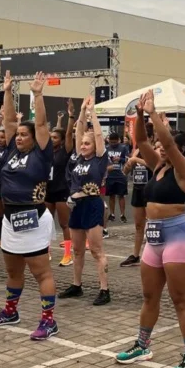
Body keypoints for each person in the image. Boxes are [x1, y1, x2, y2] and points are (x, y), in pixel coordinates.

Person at [115, 89, 185, 368]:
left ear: (180, 150)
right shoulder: (157, 167)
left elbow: (167, 143)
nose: (161, 149)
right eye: (161, 148)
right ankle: (143, 344)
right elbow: (140, 140)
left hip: (177, 236)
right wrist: (139, 114)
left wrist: (154, 114)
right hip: (154, 237)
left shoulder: (184, 170)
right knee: (150, 297)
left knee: (180, 299)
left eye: (168, 148)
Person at [0, 71, 61, 340]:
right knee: (12, 270)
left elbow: (40, 125)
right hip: (10, 220)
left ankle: (48, 321)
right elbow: (7, 119)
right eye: (17, 135)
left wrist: (38, 95)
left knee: (41, 272)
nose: (18, 138)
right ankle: (10, 311)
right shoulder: (12, 152)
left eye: (23, 135)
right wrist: (7, 91)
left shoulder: (42, 154)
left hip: (34, 218)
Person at [59, 95, 111, 306]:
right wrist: (81, 112)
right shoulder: (79, 157)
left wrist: (93, 113)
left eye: (87, 144)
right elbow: (79, 131)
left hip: (92, 204)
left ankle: (104, 289)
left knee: (96, 251)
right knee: (77, 250)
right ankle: (76, 285)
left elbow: (96, 134)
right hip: (77, 206)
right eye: (82, 144)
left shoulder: (99, 158)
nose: (83, 145)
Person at [44, 101, 74, 267]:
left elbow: (69, 134)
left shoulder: (65, 150)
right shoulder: (47, 151)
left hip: (62, 190)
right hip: (48, 190)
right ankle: (46, 251)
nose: (52, 139)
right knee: (47, 223)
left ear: (62, 140)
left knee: (64, 223)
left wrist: (70, 116)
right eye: (51, 137)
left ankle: (68, 254)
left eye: (55, 137)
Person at [119, 146, 151, 268]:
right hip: (138, 190)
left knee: (153, 224)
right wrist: (129, 164)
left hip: (150, 190)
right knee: (138, 226)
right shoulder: (137, 150)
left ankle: (152, 255)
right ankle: (135, 255)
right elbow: (125, 171)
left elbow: (153, 164)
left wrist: (135, 159)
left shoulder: (154, 148)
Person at [104, 131, 130, 225]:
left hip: (120, 174)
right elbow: (103, 160)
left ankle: (122, 214)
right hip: (110, 175)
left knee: (121, 195)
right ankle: (112, 214)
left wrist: (120, 159)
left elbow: (128, 159)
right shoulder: (106, 148)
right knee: (111, 195)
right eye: (112, 142)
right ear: (109, 141)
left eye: (115, 142)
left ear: (118, 141)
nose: (113, 144)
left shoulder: (123, 147)